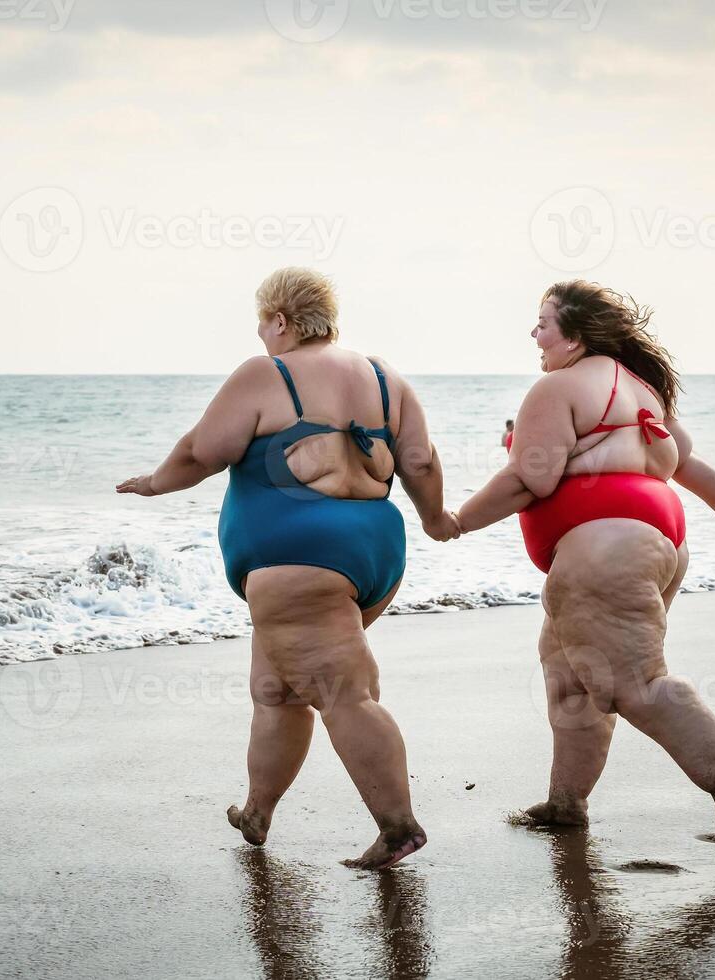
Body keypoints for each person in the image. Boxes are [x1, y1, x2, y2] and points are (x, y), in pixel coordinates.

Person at [117, 267, 459, 869]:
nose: (260, 337)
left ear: (281, 320)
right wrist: (434, 518)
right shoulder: (385, 377)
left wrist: (154, 483)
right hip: (373, 553)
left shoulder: (265, 374)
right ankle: (257, 810)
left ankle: (399, 826)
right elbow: (421, 462)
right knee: (276, 692)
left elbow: (203, 451)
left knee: (343, 693)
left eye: (262, 324)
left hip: (300, 560)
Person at [447, 280, 715, 842]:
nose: (535, 333)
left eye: (544, 322)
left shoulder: (559, 387)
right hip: (657, 542)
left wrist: (455, 523)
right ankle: (565, 802)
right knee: (569, 677)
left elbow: (529, 478)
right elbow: (685, 462)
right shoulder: (639, 388)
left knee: (635, 682)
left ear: (573, 337)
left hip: (607, 549)